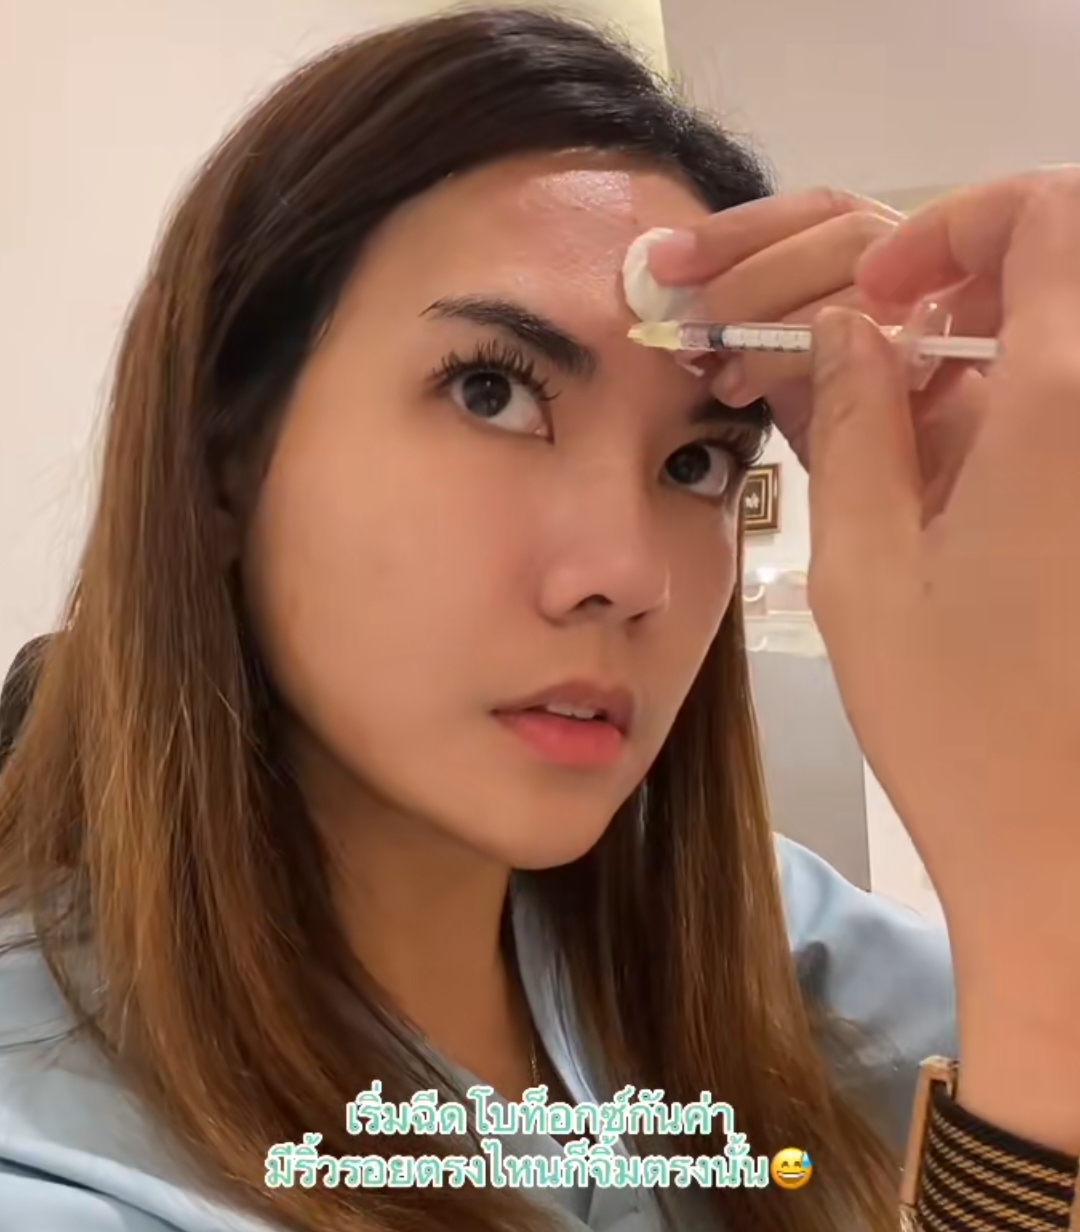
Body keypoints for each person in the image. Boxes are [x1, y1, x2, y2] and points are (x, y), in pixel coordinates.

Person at [0, 7, 1076, 1231]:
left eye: (697, 462)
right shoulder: (53, 1164)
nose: (625, 572)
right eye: (490, 390)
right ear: (221, 456)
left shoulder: (754, 937)